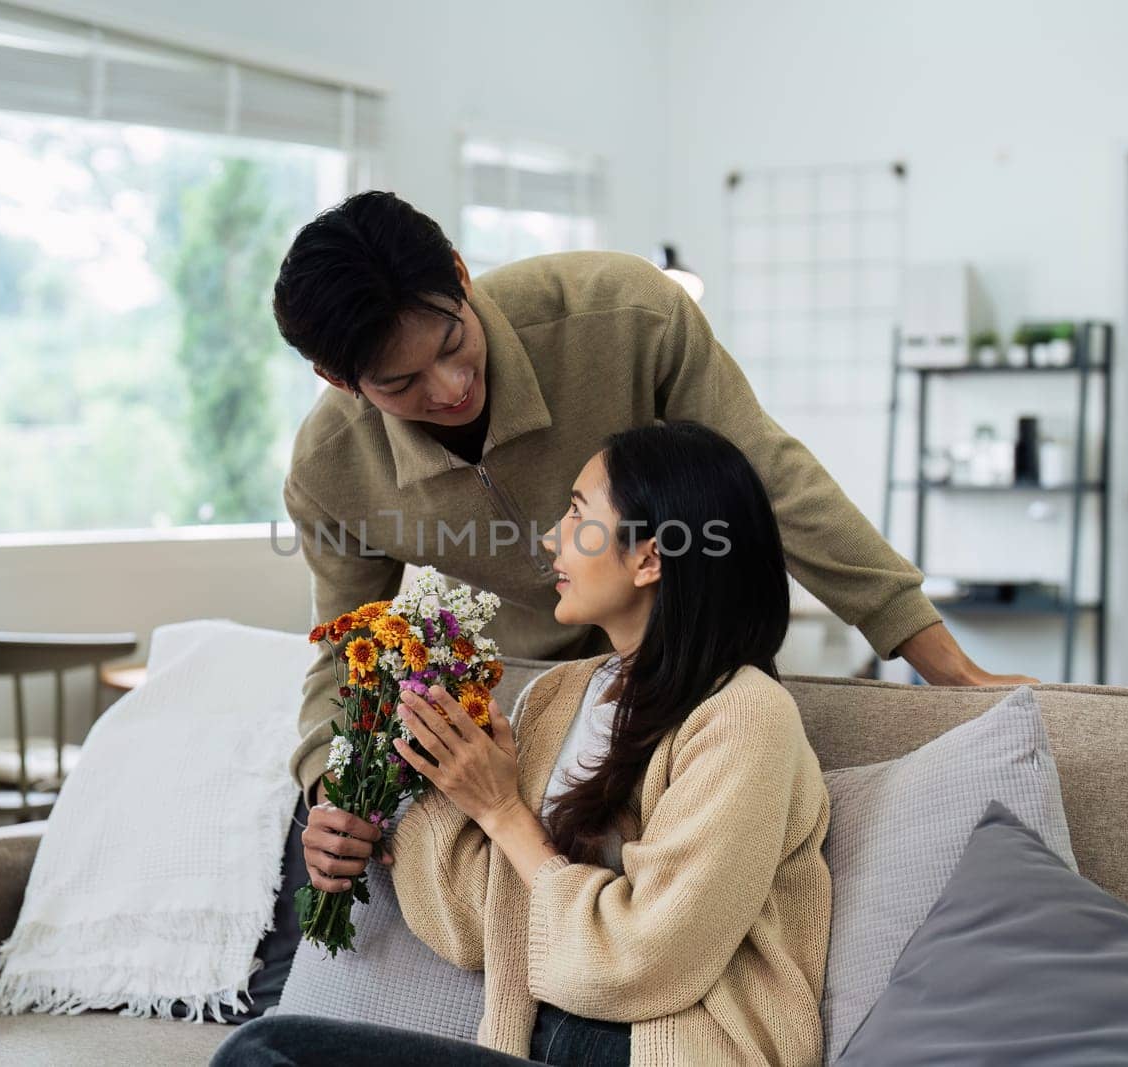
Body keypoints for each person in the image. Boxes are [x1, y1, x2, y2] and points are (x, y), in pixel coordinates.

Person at [256, 190, 1029, 1018]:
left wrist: (941, 661)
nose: (451, 388)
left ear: (460, 275)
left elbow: (772, 479)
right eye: (402, 382)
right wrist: (331, 789)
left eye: (455, 343)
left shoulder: (621, 316)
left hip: (680, 675)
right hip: (540, 710)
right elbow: (346, 647)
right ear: (339, 380)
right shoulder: (332, 466)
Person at [215, 422, 831, 1065]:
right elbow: (478, 928)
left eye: (576, 513)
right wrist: (393, 808)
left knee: (265, 1053)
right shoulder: (559, 697)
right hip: (529, 1043)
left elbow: (645, 961)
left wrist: (503, 812)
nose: (549, 538)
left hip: (667, 1051)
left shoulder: (747, 718)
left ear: (649, 558)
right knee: (265, 1054)